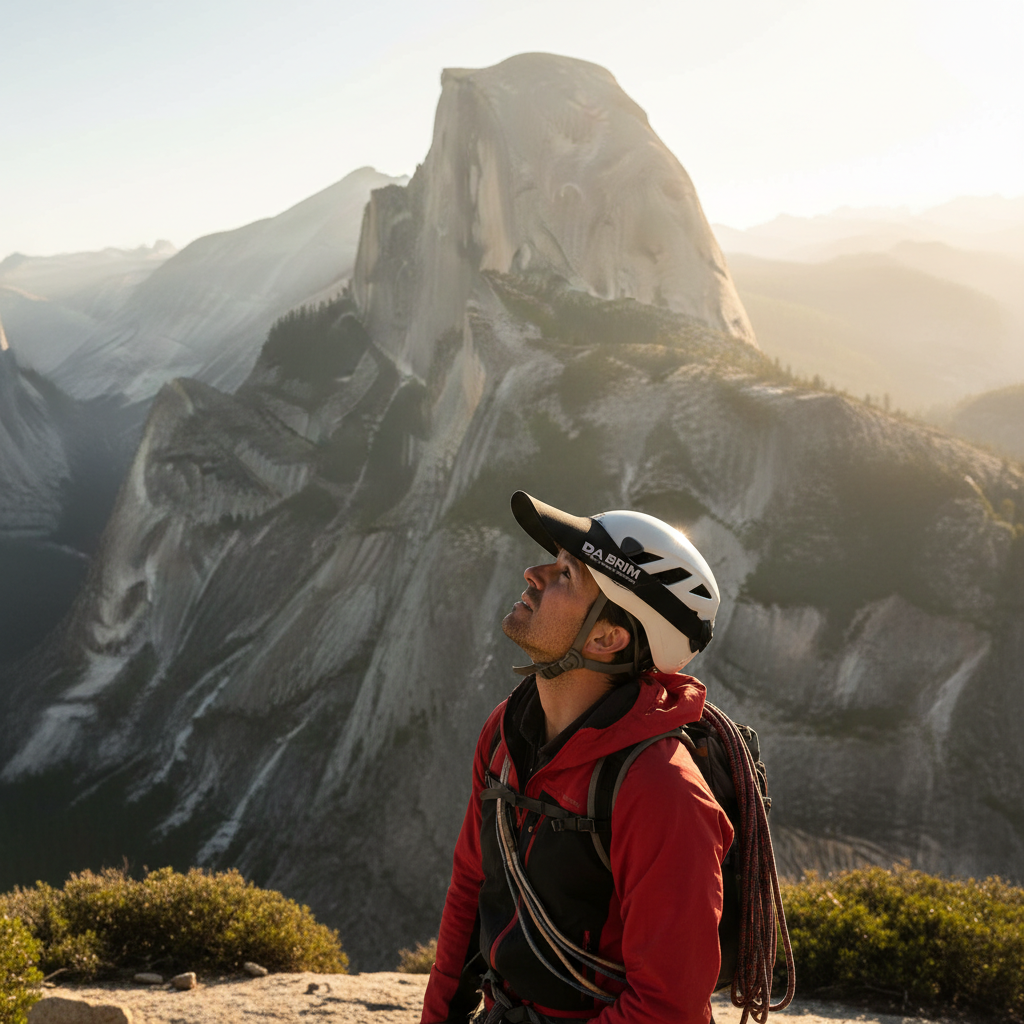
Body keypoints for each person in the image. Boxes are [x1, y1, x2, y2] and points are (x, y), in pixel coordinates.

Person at [421, 491, 734, 1024]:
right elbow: (472, 889)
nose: (533, 573)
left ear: (608, 637)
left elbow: (669, 1009)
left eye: (566, 574)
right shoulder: (506, 732)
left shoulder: (661, 789)